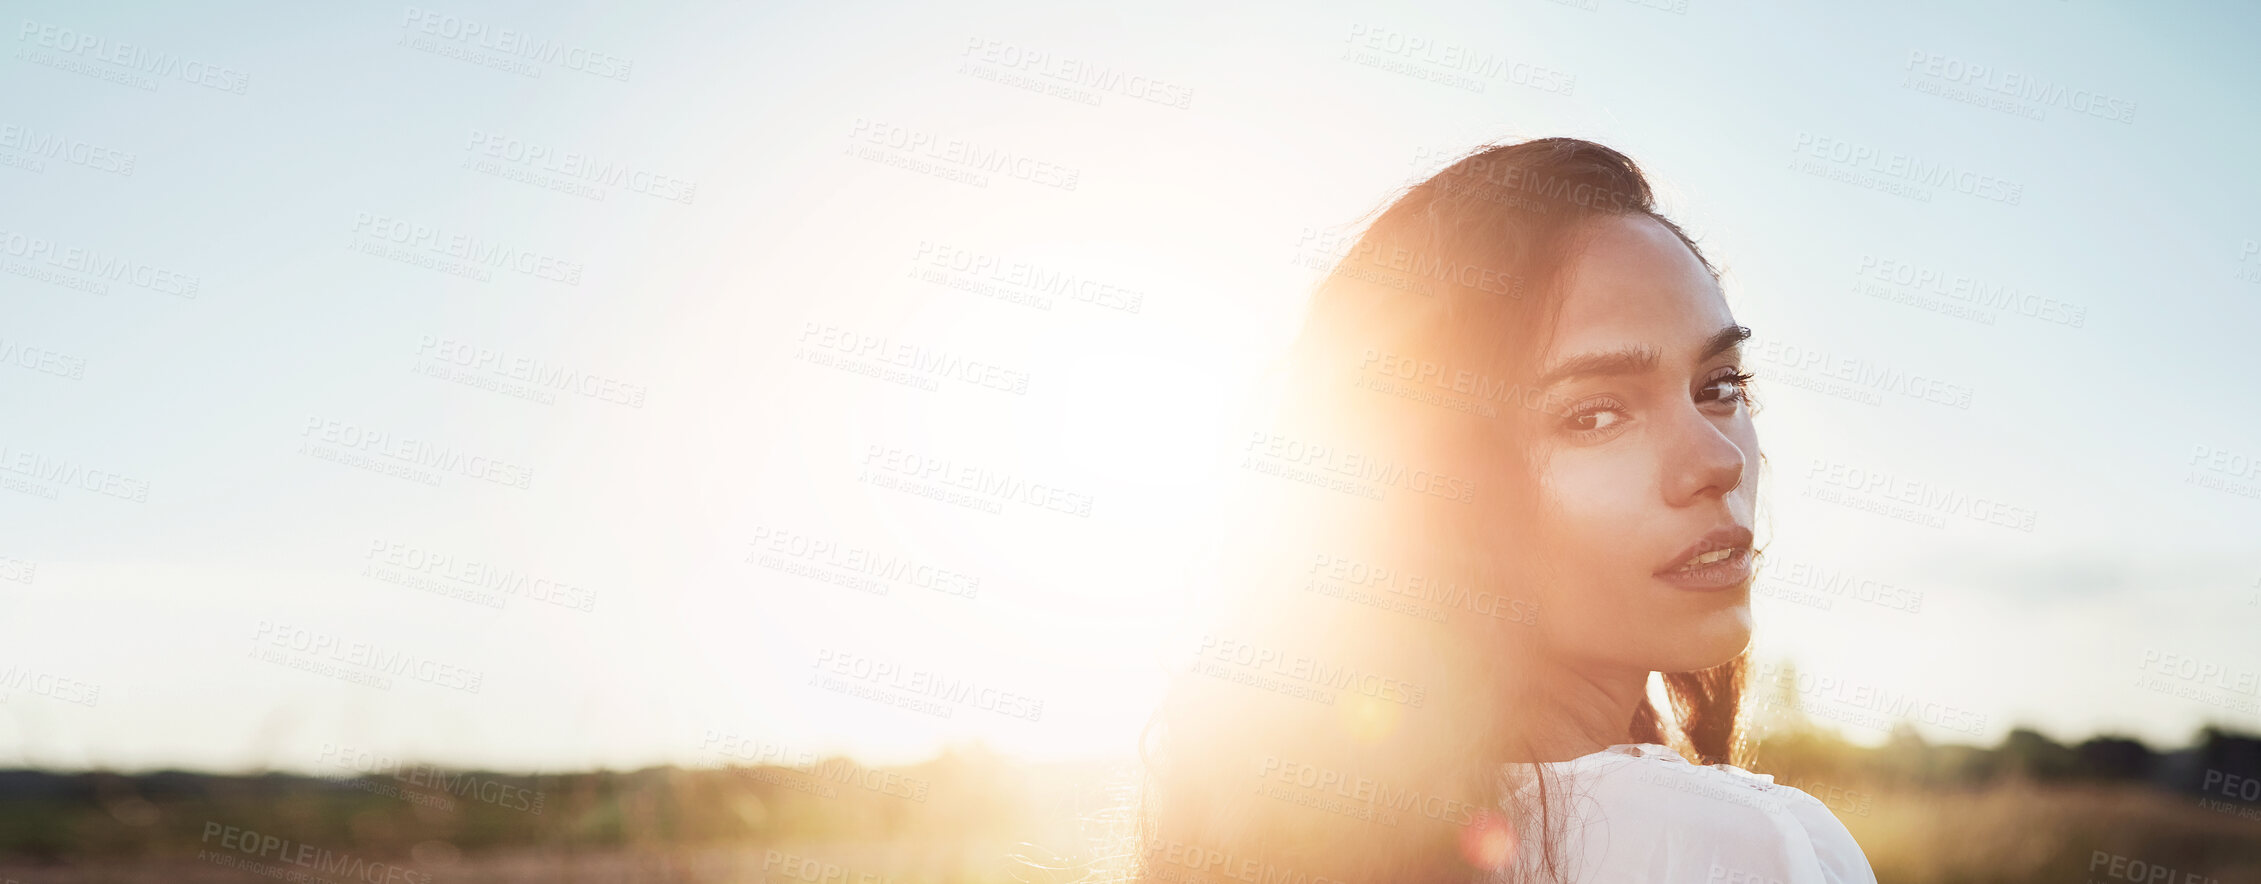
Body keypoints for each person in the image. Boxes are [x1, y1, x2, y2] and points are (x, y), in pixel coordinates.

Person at [1124, 138, 1876, 882]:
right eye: (1594, 415)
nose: (1719, 461)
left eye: (1718, 386)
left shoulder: (1305, 840)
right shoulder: (1743, 850)